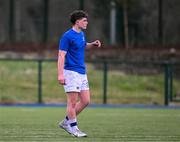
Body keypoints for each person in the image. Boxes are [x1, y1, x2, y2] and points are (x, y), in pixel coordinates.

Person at [57, 10, 101, 137]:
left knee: (86, 101)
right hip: (71, 72)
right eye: (84, 21)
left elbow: (81, 45)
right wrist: (60, 74)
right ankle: (74, 128)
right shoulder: (67, 36)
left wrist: (91, 44)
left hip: (82, 72)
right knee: (72, 102)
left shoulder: (81, 34)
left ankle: (66, 122)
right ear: (77, 22)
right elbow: (61, 55)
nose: (87, 23)